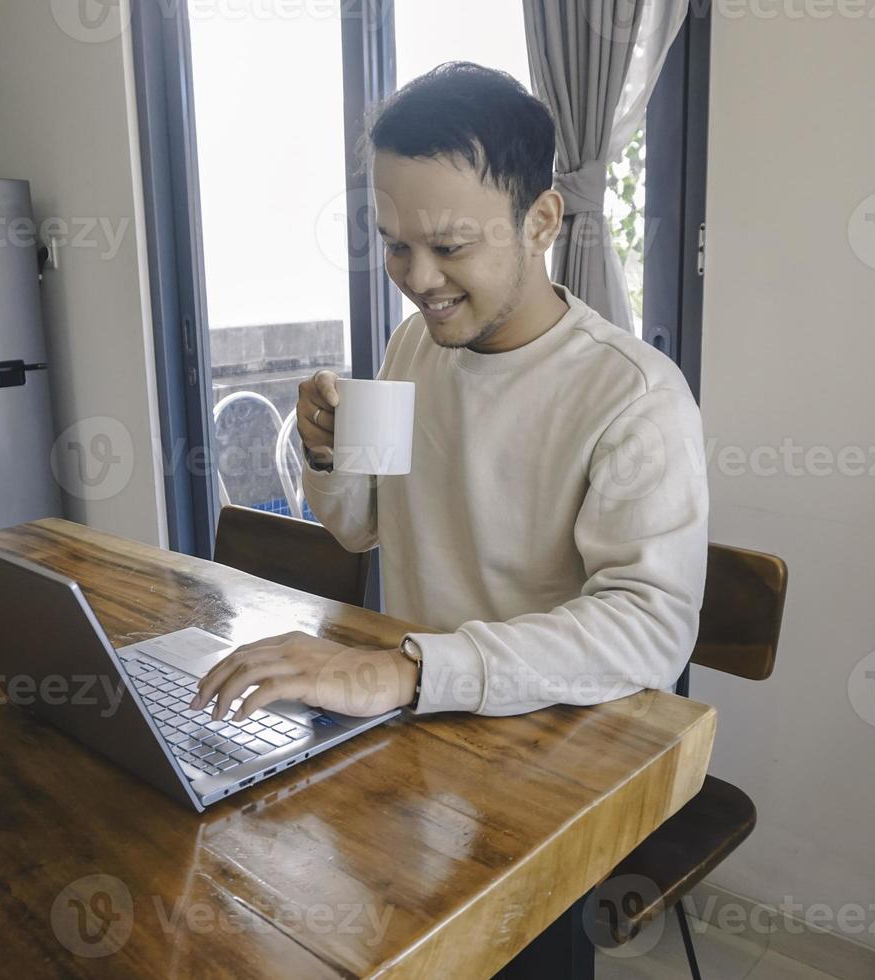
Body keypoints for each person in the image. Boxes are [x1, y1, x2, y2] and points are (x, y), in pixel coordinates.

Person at [191, 62, 707, 721]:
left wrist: (411, 671)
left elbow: (651, 629)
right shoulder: (414, 345)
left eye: (451, 246)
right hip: (417, 718)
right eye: (395, 245)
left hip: (561, 744)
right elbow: (360, 529)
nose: (419, 278)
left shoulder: (634, 396)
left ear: (543, 221)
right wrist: (328, 455)